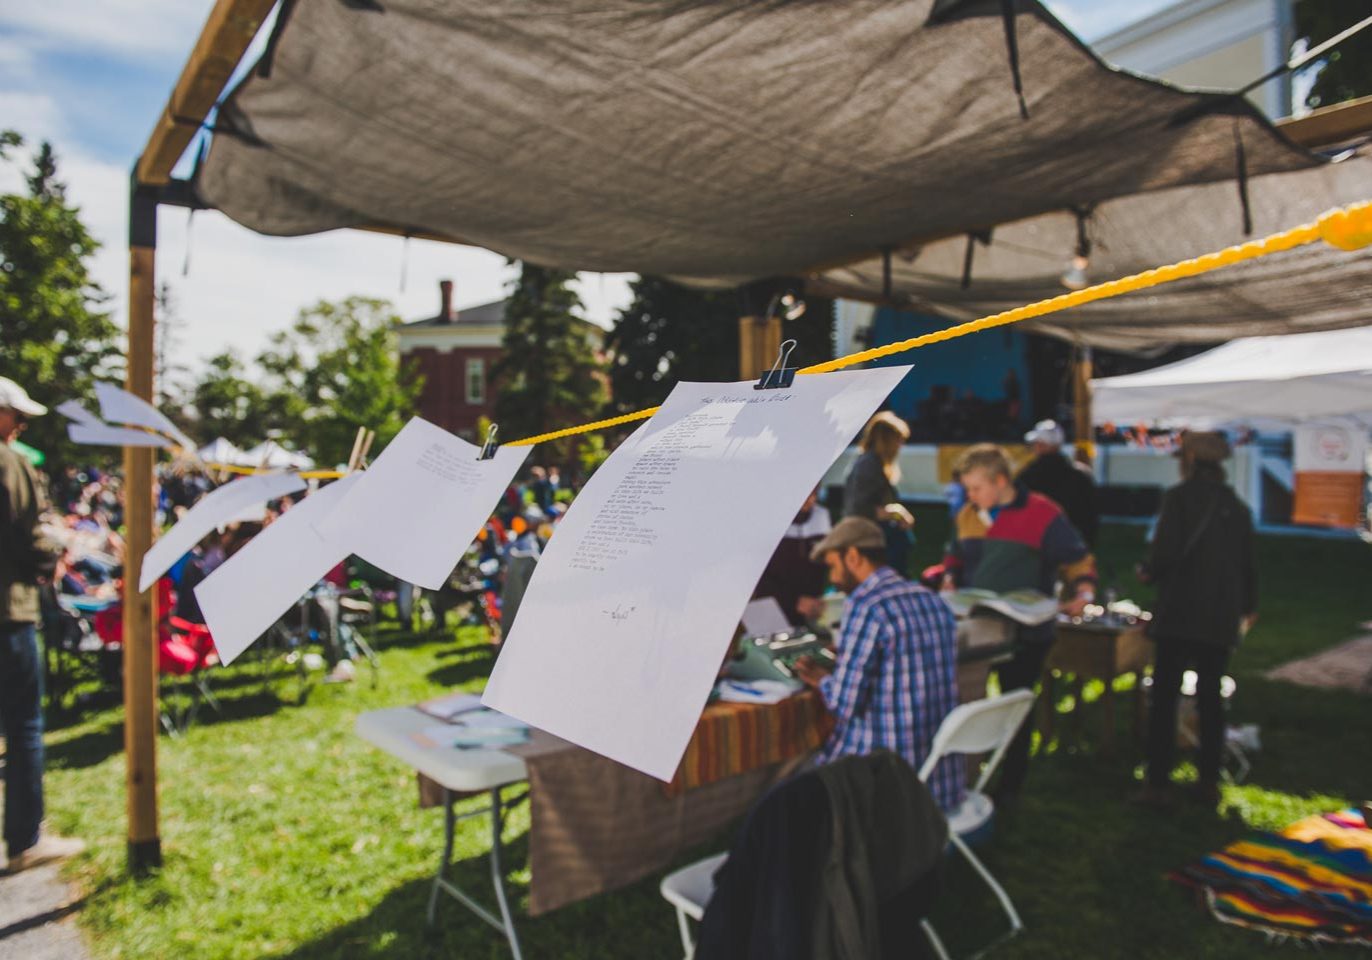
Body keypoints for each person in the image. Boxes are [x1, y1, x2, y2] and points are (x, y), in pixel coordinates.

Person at [942, 444, 1096, 802]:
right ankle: (969, 771)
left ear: (1000, 481)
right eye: (967, 489)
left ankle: (1010, 784)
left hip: (1026, 632)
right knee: (970, 702)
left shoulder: (1043, 513)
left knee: (1015, 707)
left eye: (976, 488)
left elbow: (1078, 559)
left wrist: (1084, 592)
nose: (970, 495)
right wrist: (950, 576)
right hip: (976, 629)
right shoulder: (968, 514)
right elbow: (953, 556)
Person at [794, 517, 964, 813]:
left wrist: (822, 678)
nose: (832, 578)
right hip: (938, 782)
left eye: (834, 567)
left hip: (883, 781)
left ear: (853, 557)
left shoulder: (866, 606)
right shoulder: (932, 599)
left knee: (791, 785)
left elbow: (844, 705)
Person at [1136, 431, 1256, 808]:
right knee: (1211, 700)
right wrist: (1247, 607)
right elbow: (1249, 564)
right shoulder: (1236, 505)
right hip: (1220, 617)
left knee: (1165, 696)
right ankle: (1208, 781)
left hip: (1182, 614)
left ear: (1189, 460)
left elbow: (1165, 551)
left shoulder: (1179, 499)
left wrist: (1148, 571)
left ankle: (1157, 784)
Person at [0, 377, 85, 873]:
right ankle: (27, 837)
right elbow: (28, 535)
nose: (22, 426)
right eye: (17, 416)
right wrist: (50, 556)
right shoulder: (10, 463)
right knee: (24, 723)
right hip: (8, 611)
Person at [843, 411, 915, 574]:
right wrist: (897, 512)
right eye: (898, 440)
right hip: (870, 541)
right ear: (886, 440)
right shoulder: (869, 465)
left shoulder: (871, 462)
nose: (900, 446)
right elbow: (860, 509)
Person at [751, 487, 832, 627]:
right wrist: (795, 601)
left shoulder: (822, 516)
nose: (811, 500)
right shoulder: (766, 520)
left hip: (812, 611)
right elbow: (758, 576)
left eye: (815, 493)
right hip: (774, 609)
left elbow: (827, 565)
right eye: (806, 494)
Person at [1018, 419, 1099, 547]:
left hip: (1038, 545)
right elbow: (1090, 518)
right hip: (1073, 543)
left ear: (1041, 445)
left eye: (1036, 443)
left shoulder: (1029, 475)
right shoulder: (1082, 475)